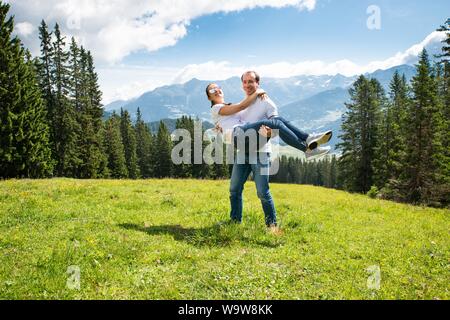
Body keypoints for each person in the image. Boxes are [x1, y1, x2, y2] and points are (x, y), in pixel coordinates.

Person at [206, 71, 332, 231]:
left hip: (258, 147)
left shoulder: (264, 101)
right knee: (234, 189)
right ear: (209, 97)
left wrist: (269, 132)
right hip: (243, 144)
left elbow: (273, 127)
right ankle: (235, 221)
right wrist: (220, 128)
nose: (247, 85)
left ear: (257, 82)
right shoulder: (230, 105)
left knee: (262, 191)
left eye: (251, 82)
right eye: (212, 90)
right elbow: (239, 110)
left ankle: (271, 225)